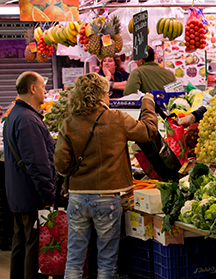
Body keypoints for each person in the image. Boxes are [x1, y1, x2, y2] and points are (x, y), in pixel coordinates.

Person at [54, 73, 158, 278]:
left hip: (77, 197)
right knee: (107, 263)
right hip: (107, 198)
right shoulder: (117, 119)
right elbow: (148, 131)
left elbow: (61, 164)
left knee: (74, 260)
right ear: (101, 95)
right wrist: (147, 103)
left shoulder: (69, 123)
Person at [3, 71, 56, 279]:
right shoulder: (28, 120)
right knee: (34, 245)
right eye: (43, 86)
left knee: (21, 243)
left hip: (18, 193)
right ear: (32, 88)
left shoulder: (14, 115)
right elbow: (37, 163)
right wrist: (48, 196)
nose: (45, 90)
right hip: (30, 195)